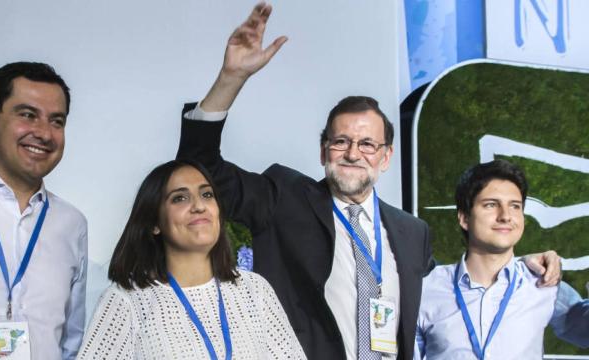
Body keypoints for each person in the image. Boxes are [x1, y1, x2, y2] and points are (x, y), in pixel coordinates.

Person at [176, 3, 562, 360]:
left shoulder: (412, 233)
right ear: (323, 149)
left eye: (366, 144)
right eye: (341, 141)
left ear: (386, 156)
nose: (352, 153)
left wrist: (514, 264)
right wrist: (230, 79)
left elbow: (452, 297)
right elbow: (201, 168)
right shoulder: (284, 198)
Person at [77, 160, 304, 359]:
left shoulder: (255, 290)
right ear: (154, 223)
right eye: (179, 198)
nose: (198, 206)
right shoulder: (127, 301)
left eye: (207, 194)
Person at [0, 62, 87, 359]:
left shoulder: (72, 224)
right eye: (27, 115)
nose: (44, 133)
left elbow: (71, 343)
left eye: (57, 121)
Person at [414, 160, 589, 359]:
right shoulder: (426, 289)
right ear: (464, 218)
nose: (505, 216)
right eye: (491, 205)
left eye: (515, 206)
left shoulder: (543, 284)